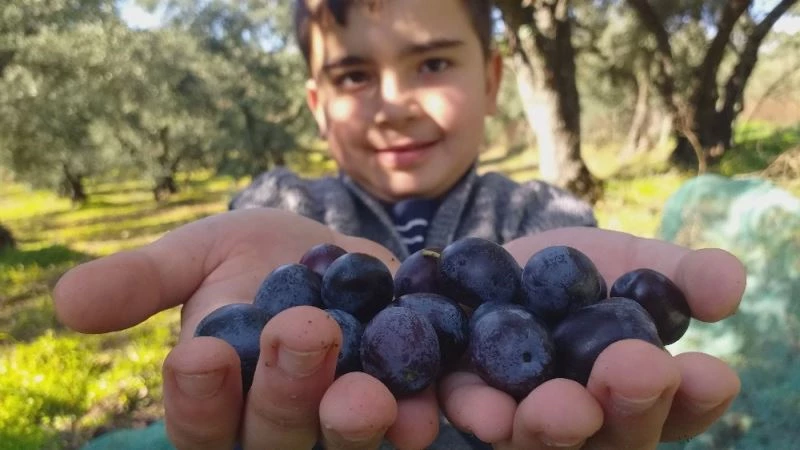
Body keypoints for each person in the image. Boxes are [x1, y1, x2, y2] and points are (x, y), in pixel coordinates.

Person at [53, 0, 746, 449]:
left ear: (494, 78)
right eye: (354, 77)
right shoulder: (288, 207)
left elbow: (559, 316)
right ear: (317, 105)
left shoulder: (542, 216)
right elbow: (276, 302)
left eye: (434, 63)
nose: (394, 105)